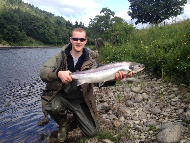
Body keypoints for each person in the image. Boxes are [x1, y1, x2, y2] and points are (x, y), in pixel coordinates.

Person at [39, 27, 132, 142]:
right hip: (62, 96)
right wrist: (58, 73)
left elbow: (99, 81)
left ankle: (77, 116)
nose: (78, 41)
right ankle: (63, 125)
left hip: (82, 99)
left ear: (85, 41)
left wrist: (113, 79)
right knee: (54, 107)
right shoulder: (59, 57)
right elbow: (43, 72)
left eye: (81, 39)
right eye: (75, 39)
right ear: (71, 40)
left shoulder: (91, 62)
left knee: (92, 132)